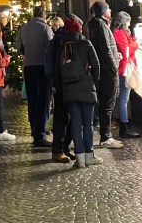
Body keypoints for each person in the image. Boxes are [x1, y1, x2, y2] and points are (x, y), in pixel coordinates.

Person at [58, 14, 102, 169]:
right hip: (86, 87)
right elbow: (96, 65)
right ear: (79, 29)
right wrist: (94, 81)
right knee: (88, 124)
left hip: (69, 90)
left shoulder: (62, 45)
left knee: (76, 123)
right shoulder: (85, 43)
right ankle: (89, 155)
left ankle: (80, 158)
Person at [86, 1, 123, 149]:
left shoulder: (93, 25)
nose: (110, 10)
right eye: (108, 9)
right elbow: (105, 48)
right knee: (108, 104)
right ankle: (105, 137)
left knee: (105, 104)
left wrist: (115, 55)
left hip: (103, 69)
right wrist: (113, 66)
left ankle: (105, 135)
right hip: (107, 71)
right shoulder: (100, 26)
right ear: (102, 11)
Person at [16, 5, 53, 146]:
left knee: (32, 100)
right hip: (42, 67)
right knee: (43, 100)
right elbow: (50, 47)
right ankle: (40, 133)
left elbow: (19, 47)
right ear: (43, 15)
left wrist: (28, 54)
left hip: (28, 66)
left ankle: (34, 129)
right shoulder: (45, 28)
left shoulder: (24, 28)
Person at [45, 16, 73, 163]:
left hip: (58, 82)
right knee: (63, 116)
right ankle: (59, 149)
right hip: (63, 83)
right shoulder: (62, 40)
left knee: (64, 116)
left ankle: (63, 148)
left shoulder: (56, 40)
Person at [112, 11, 141, 138]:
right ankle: (124, 126)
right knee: (124, 98)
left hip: (124, 67)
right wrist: (135, 44)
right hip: (124, 69)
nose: (129, 23)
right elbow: (126, 50)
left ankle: (124, 125)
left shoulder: (120, 33)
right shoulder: (119, 33)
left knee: (123, 98)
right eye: (128, 21)